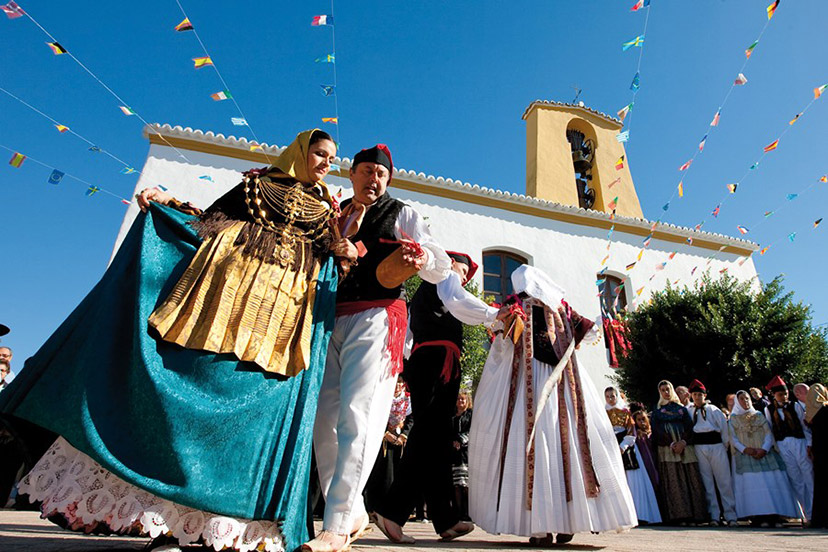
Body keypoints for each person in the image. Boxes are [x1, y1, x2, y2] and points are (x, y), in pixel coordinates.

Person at [1, 129, 345, 552]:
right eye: (321, 154)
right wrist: (168, 207)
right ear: (300, 152)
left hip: (282, 319)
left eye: (332, 157)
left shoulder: (328, 209)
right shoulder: (257, 186)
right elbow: (208, 223)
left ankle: (221, 526)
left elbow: (333, 258)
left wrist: (345, 252)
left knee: (247, 419)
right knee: (192, 397)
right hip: (221, 299)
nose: (328, 163)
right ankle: (163, 521)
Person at [308, 145, 452, 552]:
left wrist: (420, 256)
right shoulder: (334, 214)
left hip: (378, 314)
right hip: (330, 316)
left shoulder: (401, 213)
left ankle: (335, 526)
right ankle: (352, 511)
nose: (374, 180)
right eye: (367, 171)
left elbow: (438, 264)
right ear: (351, 174)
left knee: (360, 412)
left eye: (381, 175)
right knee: (325, 419)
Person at [469, 265, 636, 546]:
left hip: (531, 383)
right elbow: (591, 331)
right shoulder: (562, 308)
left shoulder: (518, 306)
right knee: (565, 445)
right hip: (563, 385)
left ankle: (542, 528)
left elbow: (501, 340)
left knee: (537, 446)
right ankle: (566, 521)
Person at [374, 251, 499, 544]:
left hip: (426, 360)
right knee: (429, 436)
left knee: (438, 438)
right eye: (464, 267)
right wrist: (494, 315)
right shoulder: (445, 276)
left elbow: (407, 335)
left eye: (467, 272)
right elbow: (459, 300)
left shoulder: (423, 294)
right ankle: (392, 511)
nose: (465, 275)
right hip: (437, 361)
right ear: (450, 262)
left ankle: (446, 519)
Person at [728, 390, 800, 526]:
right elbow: (733, 437)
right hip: (746, 455)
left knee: (771, 482)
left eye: (748, 398)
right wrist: (745, 449)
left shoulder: (759, 415)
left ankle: (774, 515)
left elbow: (768, 433)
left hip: (765, 454)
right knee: (752, 484)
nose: (746, 401)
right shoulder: (733, 418)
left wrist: (765, 449)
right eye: (742, 399)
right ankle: (757, 516)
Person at [651, 380, 708, 524]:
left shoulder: (682, 409)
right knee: (674, 481)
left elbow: (689, 427)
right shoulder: (657, 412)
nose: (666, 392)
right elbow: (656, 431)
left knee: (691, 479)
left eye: (668, 389)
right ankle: (680, 516)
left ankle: (696, 515)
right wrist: (671, 443)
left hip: (685, 447)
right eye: (663, 390)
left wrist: (683, 442)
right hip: (668, 449)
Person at [605, 387, 661, 524]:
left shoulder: (626, 413)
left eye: (613, 396)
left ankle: (640, 513)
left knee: (633, 480)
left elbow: (631, 433)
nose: (611, 399)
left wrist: (623, 446)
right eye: (608, 396)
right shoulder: (603, 413)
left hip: (627, 448)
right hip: (611, 447)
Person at [685, 379, 737, 526]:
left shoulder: (714, 410)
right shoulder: (689, 411)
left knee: (724, 480)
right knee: (707, 482)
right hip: (699, 446)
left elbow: (724, 431)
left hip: (716, 445)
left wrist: (724, 446)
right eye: (694, 394)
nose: (697, 397)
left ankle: (730, 514)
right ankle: (714, 514)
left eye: (699, 394)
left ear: (705, 395)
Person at [764, 375, 813, 521]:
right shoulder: (769, 409)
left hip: (799, 441)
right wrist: (775, 446)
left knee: (808, 475)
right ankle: (805, 513)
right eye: (780, 394)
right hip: (782, 444)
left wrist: (808, 443)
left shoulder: (795, 406)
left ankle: (814, 512)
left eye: (785, 393)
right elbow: (770, 428)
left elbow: (804, 427)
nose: (784, 396)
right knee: (795, 479)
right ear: (774, 395)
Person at [363, 377, 413, 513]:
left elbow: (411, 419)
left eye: (401, 382)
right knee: (381, 473)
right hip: (383, 440)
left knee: (399, 473)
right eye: (396, 382)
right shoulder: (383, 397)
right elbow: (376, 415)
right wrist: (385, 432)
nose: (398, 385)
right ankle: (375, 507)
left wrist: (404, 435)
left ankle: (395, 508)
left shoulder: (408, 400)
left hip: (401, 442)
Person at [805, 383, 828, 528]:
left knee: (820, 485)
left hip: (819, 451)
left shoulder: (810, 413)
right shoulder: (825, 409)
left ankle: (820, 518)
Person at [451, 390, 473, 522]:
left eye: (463, 400)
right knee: (456, 485)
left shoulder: (470, 415)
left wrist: (461, 440)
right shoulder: (452, 415)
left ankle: (467, 512)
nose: (460, 402)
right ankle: (458, 512)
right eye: (458, 399)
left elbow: (473, 430)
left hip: (466, 453)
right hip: (453, 453)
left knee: (465, 485)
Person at [629, 405, 659, 499]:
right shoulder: (637, 435)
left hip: (657, 460)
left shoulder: (653, 431)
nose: (642, 422)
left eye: (643, 419)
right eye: (639, 420)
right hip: (646, 464)